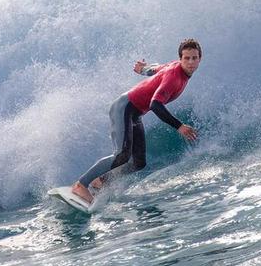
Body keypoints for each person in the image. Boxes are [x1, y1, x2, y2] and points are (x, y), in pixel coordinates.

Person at [71, 38, 202, 203]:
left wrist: (143, 69)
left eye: (194, 58)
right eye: (187, 58)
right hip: (124, 108)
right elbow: (155, 105)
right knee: (121, 155)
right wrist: (179, 126)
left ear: (200, 59)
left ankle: (100, 182)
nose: (190, 62)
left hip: (135, 113)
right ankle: (80, 185)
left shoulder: (175, 67)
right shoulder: (174, 78)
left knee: (138, 162)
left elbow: (156, 69)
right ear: (180, 58)